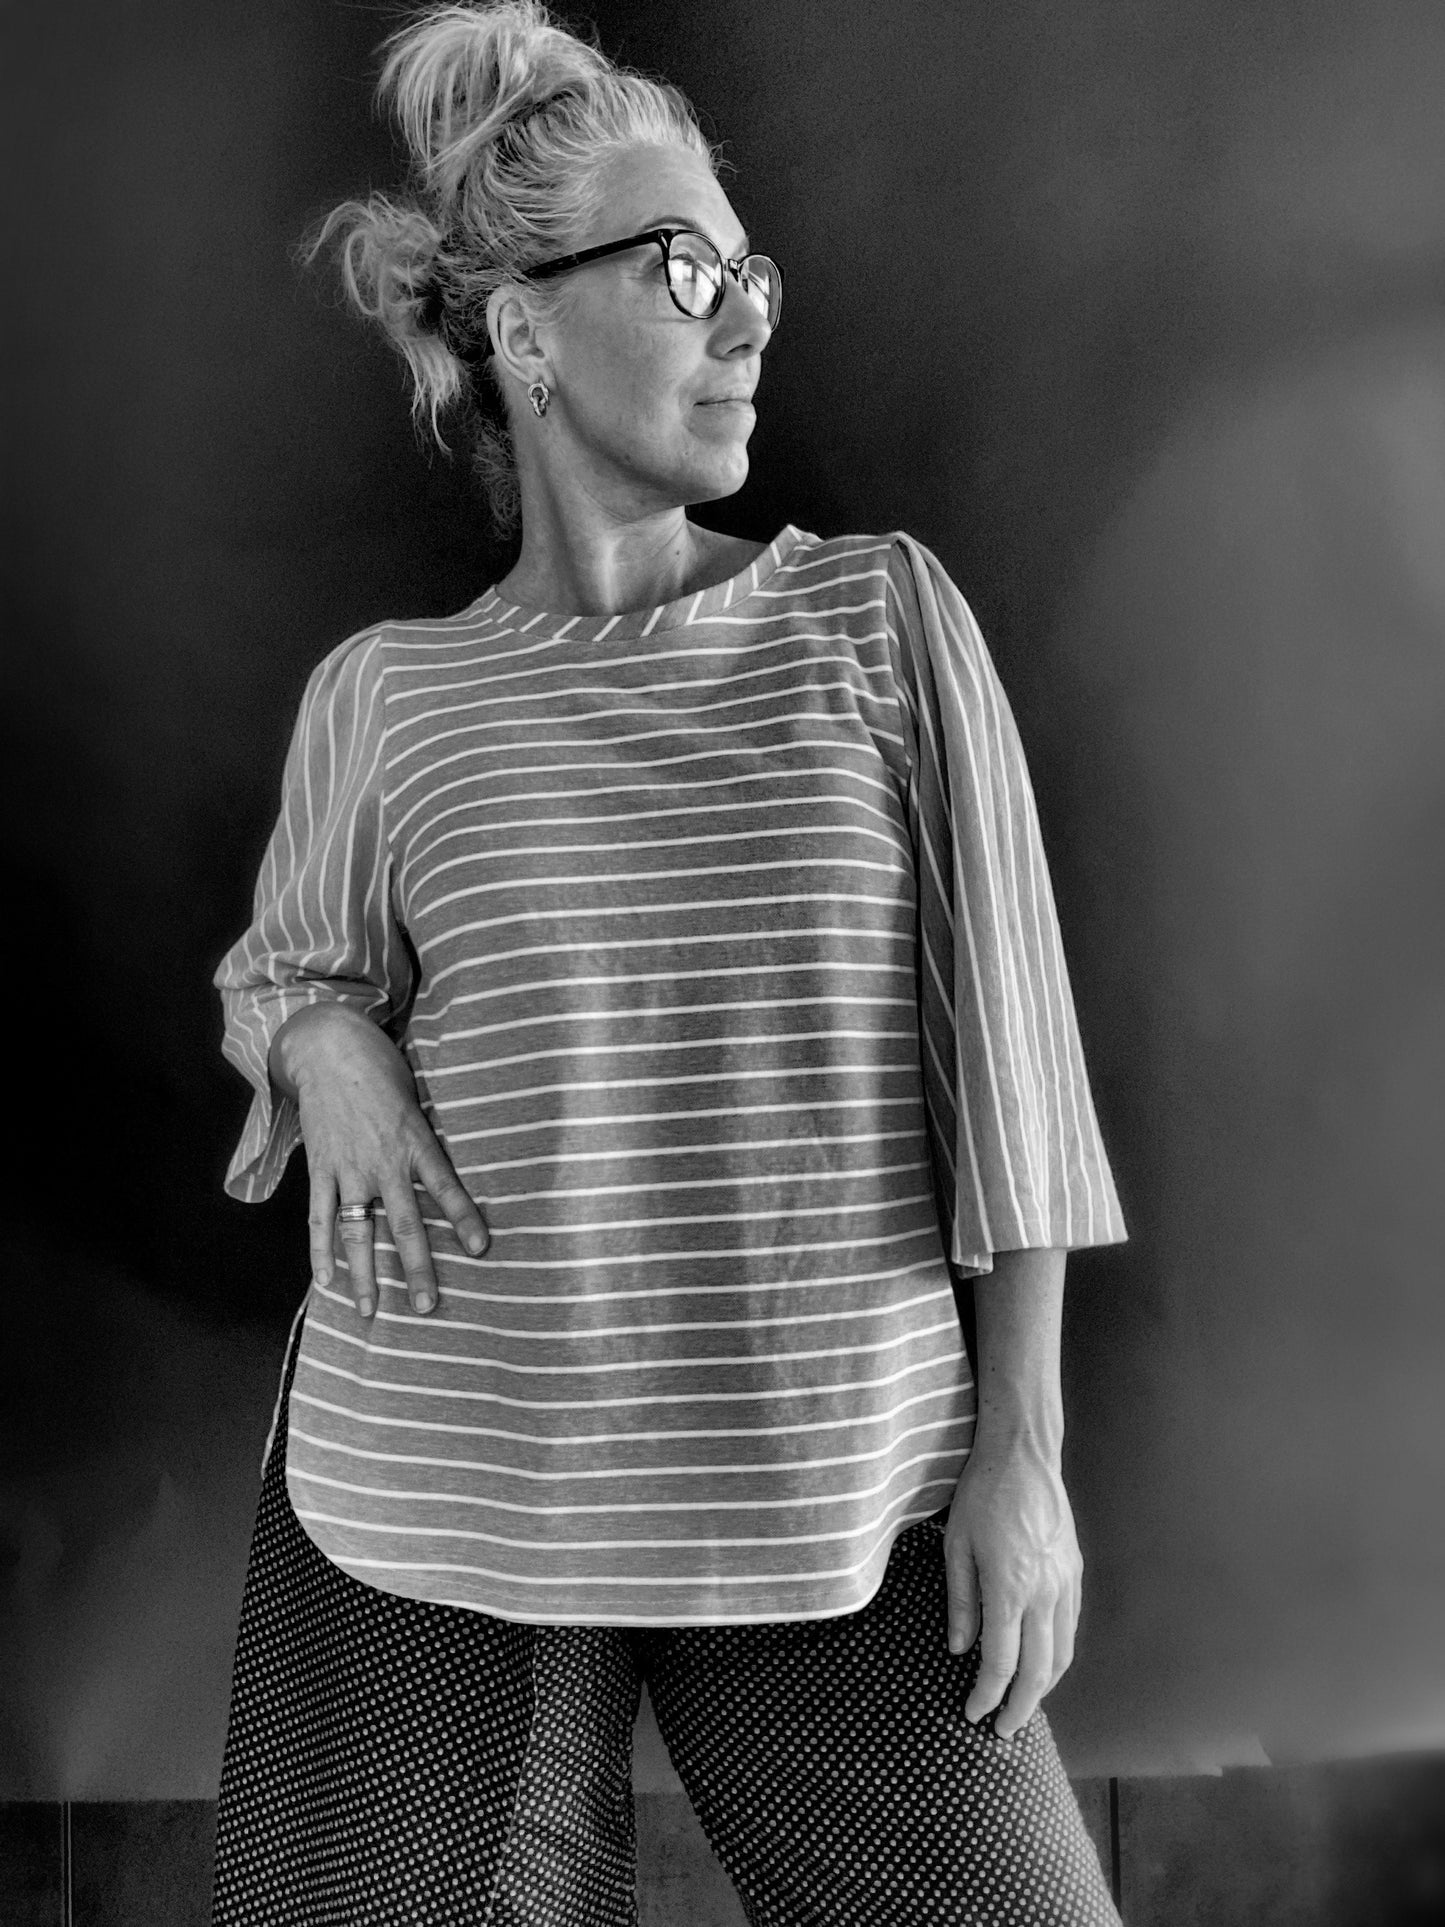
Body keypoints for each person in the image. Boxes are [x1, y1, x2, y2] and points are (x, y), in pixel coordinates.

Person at [210, 3, 1127, 1920]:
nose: (747, 321)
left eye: (749, 274)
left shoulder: (875, 619)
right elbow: (280, 966)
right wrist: (322, 1041)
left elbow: (1016, 1062)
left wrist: (1024, 1460)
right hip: (437, 1484)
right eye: (685, 269)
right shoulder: (389, 696)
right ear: (524, 331)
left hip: (833, 1483)